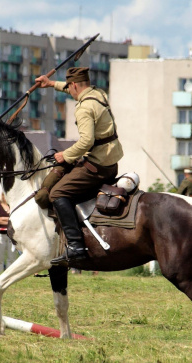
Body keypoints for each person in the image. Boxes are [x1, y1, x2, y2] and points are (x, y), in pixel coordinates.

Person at [35, 67, 124, 266]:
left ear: (74, 84)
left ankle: (76, 246)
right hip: (111, 161)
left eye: (70, 86)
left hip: (98, 165)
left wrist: (64, 155)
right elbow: (72, 90)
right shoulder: (98, 94)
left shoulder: (84, 108)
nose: (69, 90)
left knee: (57, 193)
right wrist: (51, 84)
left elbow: (86, 142)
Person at [0, 193, 17, 272]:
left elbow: (15, 220)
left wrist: (2, 219)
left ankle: (9, 273)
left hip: (12, 236)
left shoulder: (13, 206)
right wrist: (8, 220)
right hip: (0, 235)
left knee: (12, 257)